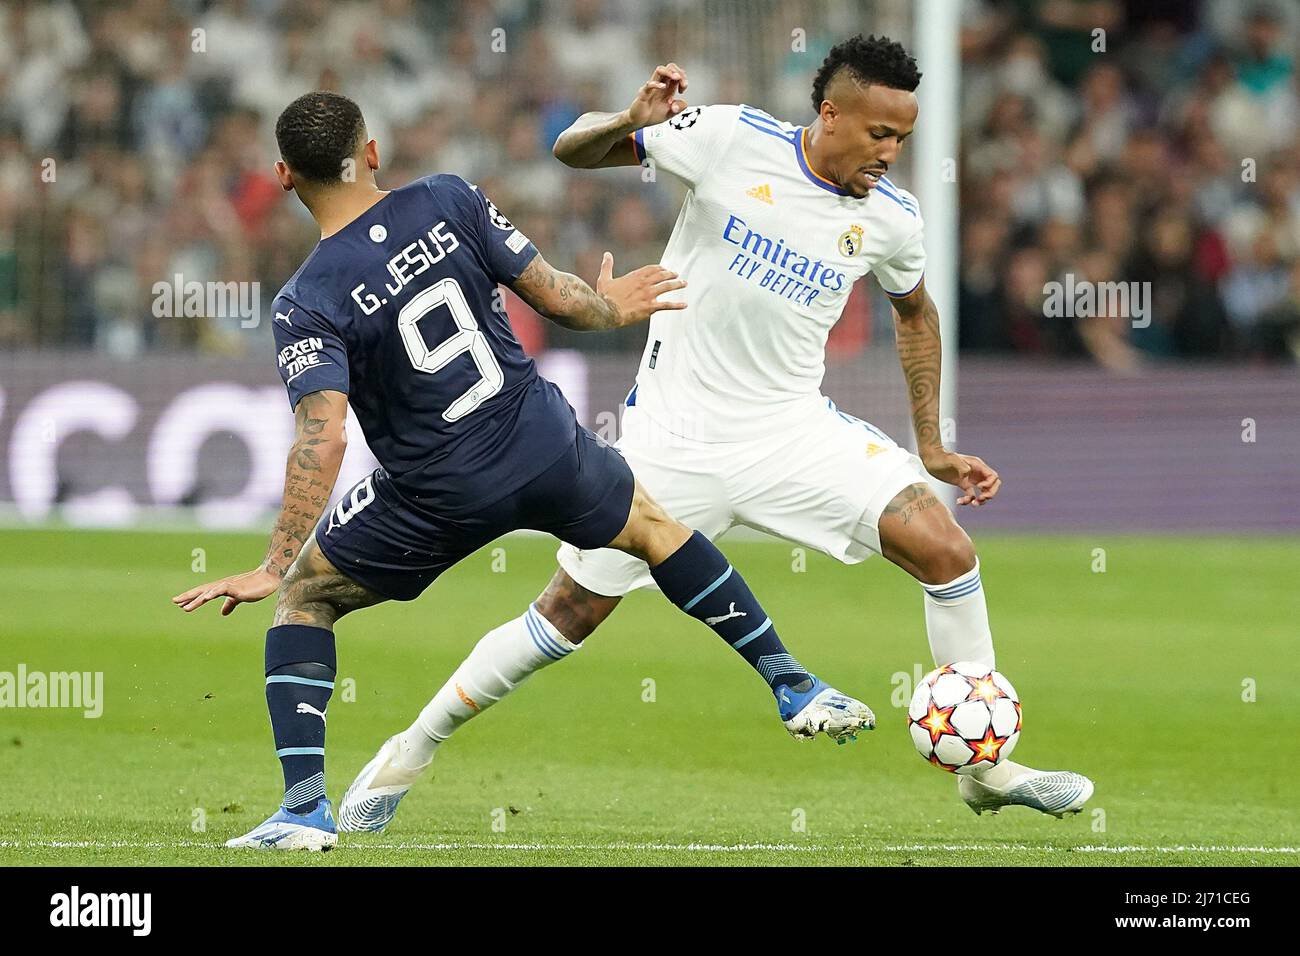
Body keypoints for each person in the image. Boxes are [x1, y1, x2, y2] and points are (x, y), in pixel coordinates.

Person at [345, 36, 1092, 829]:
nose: (890, 153)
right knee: (567, 614)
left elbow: (915, 316)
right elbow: (571, 151)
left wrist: (931, 445)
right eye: (879, 134)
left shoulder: (892, 219)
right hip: (674, 440)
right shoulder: (732, 138)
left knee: (945, 548)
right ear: (830, 113)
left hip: (794, 433)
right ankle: (411, 748)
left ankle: (984, 768)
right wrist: (629, 119)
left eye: (902, 140)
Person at [171, 91, 875, 851]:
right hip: (539, 441)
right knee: (656, 529)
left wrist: (274, 563)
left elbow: (325, 436)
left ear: (284, 176)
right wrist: (611, 307)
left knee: (306, 598)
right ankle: (792, 682)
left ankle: (305, 812)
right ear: (372, 153)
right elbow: (558, 297)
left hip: (436, 491)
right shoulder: (448, 198)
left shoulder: (304, 301)